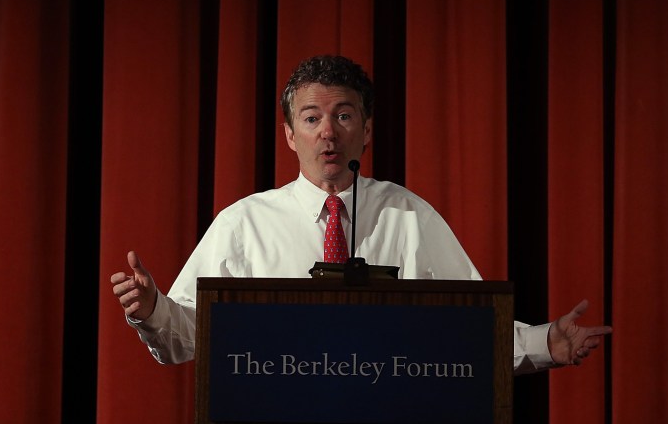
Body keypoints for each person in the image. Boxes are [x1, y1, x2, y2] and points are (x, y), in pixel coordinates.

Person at [111, 54, 611, 373]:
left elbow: (472, 326)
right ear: (290, 135)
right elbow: (185, 339)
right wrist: (152, 310)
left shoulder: (408, 215)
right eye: (312, 118)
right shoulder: (243, 224)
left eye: (344, 115)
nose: (328, 132)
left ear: (366, 131)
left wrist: (546, 342)